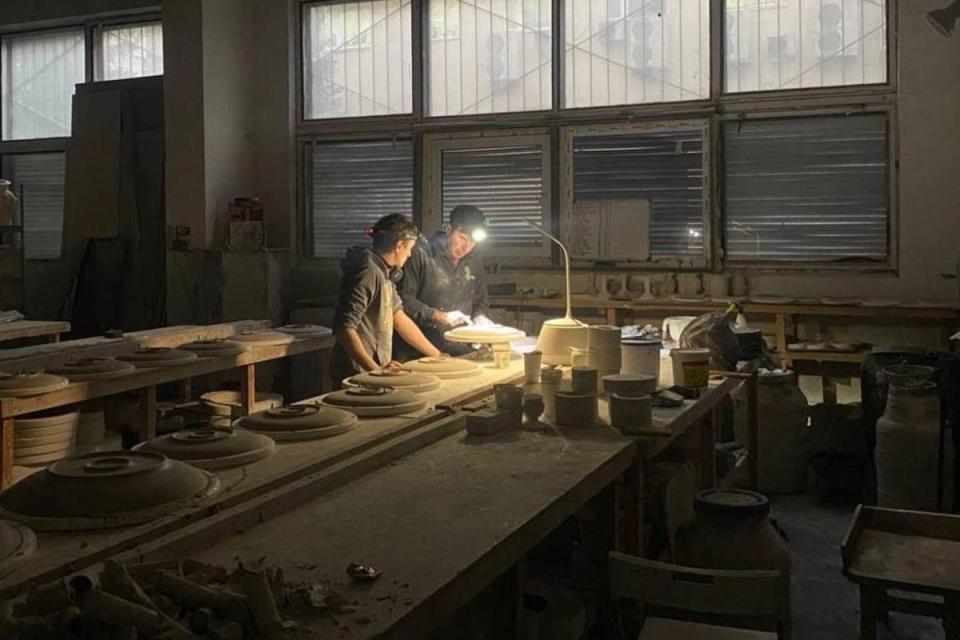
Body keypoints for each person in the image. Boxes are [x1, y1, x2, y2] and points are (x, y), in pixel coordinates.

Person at [331, 214, 440, 385]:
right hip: (355, 373)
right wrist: (376, 371)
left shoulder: (385, 273)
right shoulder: (368, 272)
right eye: (410, 248)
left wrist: (437, 355)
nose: (410, 254)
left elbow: (399, 318)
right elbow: (344, 328)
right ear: (399, 246)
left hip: (370, 370)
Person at [394, 204, 492, 361]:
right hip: (420, 350)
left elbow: (480, 302)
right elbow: (403, 300)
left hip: (459, 348)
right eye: (462, 238)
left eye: (473, 242)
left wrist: (480, 318)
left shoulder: (474, 260)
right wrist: (438, 316)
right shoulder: (420, 254)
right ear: (448, 229)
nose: (466, 247)